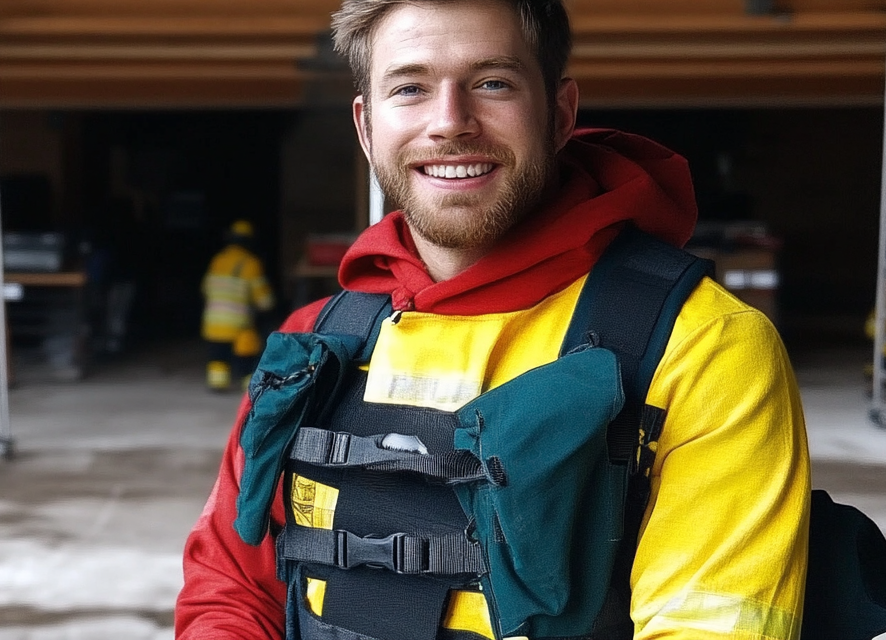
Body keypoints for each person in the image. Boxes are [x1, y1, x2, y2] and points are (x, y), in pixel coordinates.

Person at [175, 0, 811, 638]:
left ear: (559, 114)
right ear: (367, 128)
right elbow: (229, 589)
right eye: (410, 88)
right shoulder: (313, 342)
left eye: (492, 83)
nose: (450, 123)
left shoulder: (703, 344)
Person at [202, 219, 277, 391]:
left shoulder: (218, 260)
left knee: (218, 355)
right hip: (240, 323)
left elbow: (205, 288)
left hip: (214, 321)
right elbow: (263, 299)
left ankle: (218, 384)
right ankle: (249, 386)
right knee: (247, 354)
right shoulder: (251, 263)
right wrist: (269, 308)